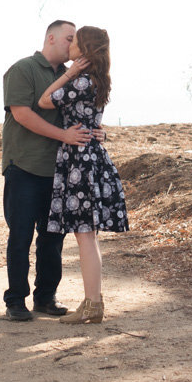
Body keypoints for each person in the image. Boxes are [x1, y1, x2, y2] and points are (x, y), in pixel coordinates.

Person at [2, 20, 96, 322]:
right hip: (25, 165)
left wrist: (96, 133)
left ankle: (45, 298)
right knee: (20, 236)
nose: (73, 45)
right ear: (52, 38)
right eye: (70, 38)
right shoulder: (23, 69)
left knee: (53, 237)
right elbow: (22, 115)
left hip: (60, 170)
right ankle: (16, 300)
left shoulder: (75, 75)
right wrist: (64, 136)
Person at [38, 25, 128, 324]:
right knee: (88, 237)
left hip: (79, 161)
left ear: (84, 51)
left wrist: (67, 74)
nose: (70, 45)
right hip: (89, 157)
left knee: (85, 237)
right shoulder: (98, 80)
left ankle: (93, 304)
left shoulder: (81, 81)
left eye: (75, 41)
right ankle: (93, 302)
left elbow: (44, 101)